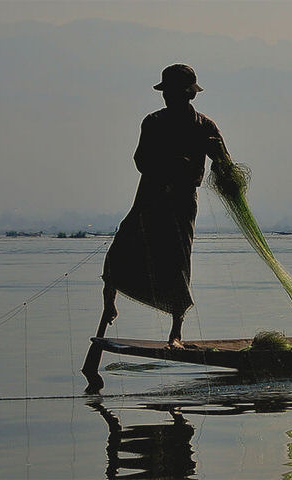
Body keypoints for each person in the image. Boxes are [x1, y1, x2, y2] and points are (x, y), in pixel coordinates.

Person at [99, 64, 233, 349]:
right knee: (121, 249)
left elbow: (227, 166)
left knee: (177, 263)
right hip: (150, 197)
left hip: (182, 203)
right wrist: (169, 163)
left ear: (189, 96)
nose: (169, 98)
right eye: (167, 93)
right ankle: (109, 306)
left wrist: (218, 153)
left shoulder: (204, 126)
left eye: (175, 93)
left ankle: (176, 333)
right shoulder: (153, 122)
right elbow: (141, 160)